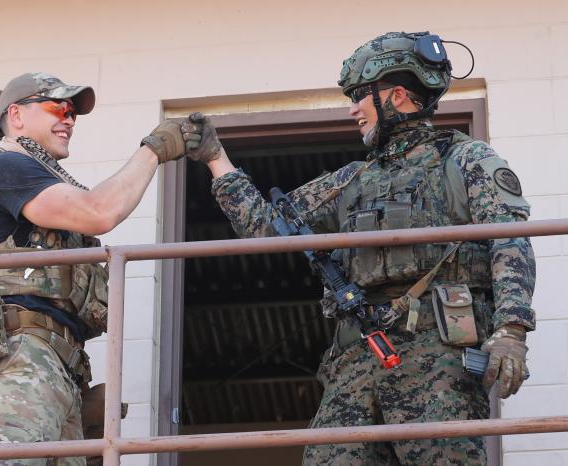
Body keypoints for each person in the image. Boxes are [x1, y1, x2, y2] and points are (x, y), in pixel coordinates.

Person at [185, 32, 535, 465]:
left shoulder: (467, 160)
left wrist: (512, 332)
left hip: (438, 355)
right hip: (357, 357)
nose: (353, 108)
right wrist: (215, 157)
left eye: (359, 96)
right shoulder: (351, 179)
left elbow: (509, 240)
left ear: (398, 96)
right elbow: (263, 227)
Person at [0, 72, 199, 465]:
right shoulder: (9, 169)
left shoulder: (35, 175)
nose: (68, 118)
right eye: (57, 107)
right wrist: (153, 150)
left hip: (57, 368)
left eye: (73, 113)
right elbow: (99, 212)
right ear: (16, 115)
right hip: (16, 363)